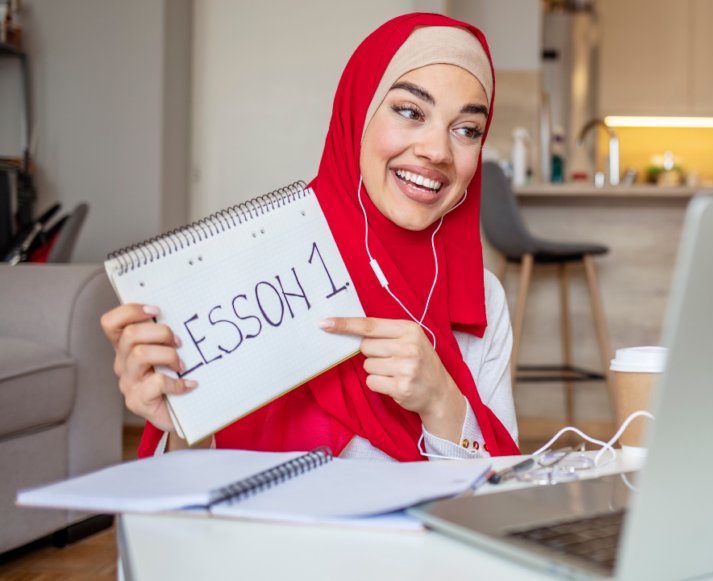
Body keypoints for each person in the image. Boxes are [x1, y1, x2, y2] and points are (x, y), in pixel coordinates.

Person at [99, 14, 520, 461]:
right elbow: (181, 511)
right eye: (410, 111)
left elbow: (497, 507)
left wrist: (443, 403)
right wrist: (182, 419)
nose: (437, 151)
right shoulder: (251, 281)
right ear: (358, 111)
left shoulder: (482, 303)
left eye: (467, 130)